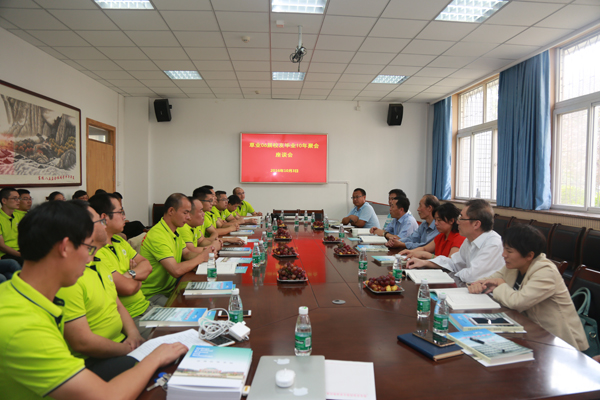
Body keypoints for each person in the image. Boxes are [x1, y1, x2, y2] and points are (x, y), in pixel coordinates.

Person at [0, 200, 187, 400]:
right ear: (65, 247)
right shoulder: (22, 326)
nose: (90, 259)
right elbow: (106, 396)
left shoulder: (18, 293)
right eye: (89, 248)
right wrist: (155, 357)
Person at [56, 201, 145, 381]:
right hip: (94, 359)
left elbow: (117, 304)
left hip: (120, 342)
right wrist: (128, 349)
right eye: (100, 221)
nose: (105, 226)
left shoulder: (99, 263)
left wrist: (134, 334)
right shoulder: (69, 277)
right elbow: (83, 343)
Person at [468, 224, 589, 352]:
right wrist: (479, 285)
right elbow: (489, 280)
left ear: (529, 255)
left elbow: (517, 302)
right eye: (504, 249)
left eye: (509, 251)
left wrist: (499, 283)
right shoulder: (514, 266)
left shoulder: (545, 271)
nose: (503, 255)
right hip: (530, 332)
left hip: (558, 342)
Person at [89, 193, 154, 339]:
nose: (125, 217)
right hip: (132, 317)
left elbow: (147, 265)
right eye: (121, 212)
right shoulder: (97, 253)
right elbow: (127, 288)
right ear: (104, 218)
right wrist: (138, 277)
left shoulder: (120, 242)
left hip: (147, 306)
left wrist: (130, 274)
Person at [407, 199, 504, 283]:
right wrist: (424, 263)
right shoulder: (469, 240)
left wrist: (451, 274)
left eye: (461, 218)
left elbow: (472, 276)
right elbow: (453, 262)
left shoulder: (493, 244)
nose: (458, 222)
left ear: (476, 224)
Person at [140, 193, 203, 305]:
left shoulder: (174, 231)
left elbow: (187, 253)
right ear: (171, 211)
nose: (188, 217)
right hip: (153, 294)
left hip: (171, 288)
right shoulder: (158, 235)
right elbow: (175, 270)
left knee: (201, 298)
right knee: (187, 309)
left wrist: (207, 253)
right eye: (185, 213)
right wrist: (201, 258)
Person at [400, 202, 465, 259]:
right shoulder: (441, 236)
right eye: (435, 220)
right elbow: (425, 248)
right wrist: (410, 252)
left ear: (451, 221)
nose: (435, 223)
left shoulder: (459, 238)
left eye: (439, 220)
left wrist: (427, 255)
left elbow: (450, 263)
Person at [0, 187, 25, 265]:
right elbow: (2, 246)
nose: (18, 201)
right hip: (6, 254)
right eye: (15, 198)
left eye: (19, 198)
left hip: (21, 250)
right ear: (4, 201)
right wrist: (21, 255)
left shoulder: (19, 216)